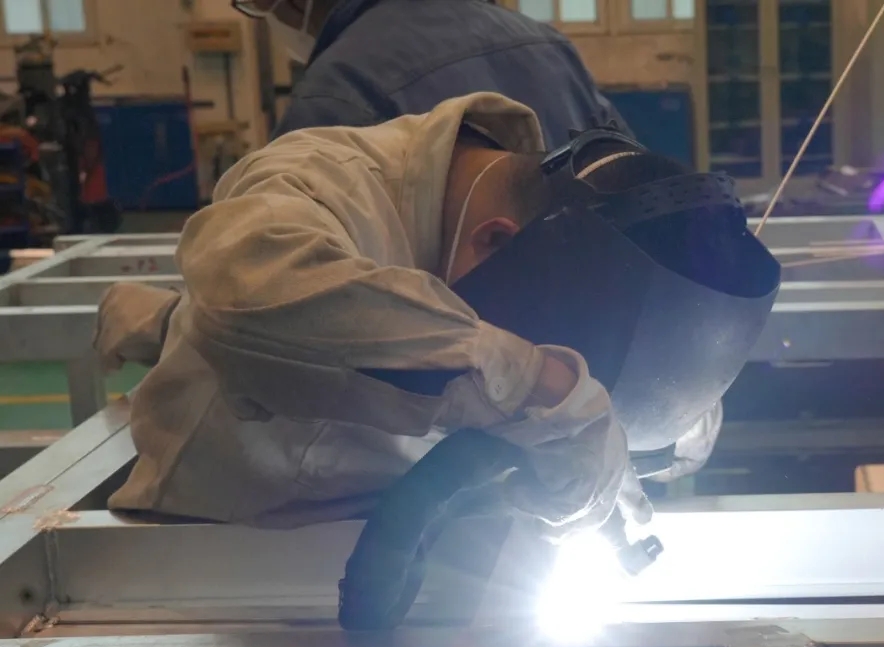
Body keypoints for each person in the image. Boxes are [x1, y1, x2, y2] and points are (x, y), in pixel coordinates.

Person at [94, 93, 778, 538]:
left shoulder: (560, 257)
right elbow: (249, 297)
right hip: (214, 558)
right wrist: (537, 388)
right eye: (544, 351)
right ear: (495, 243)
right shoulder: (318, 180)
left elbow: (649, 406)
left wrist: (631, 438)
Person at [231, 0, 629, 146]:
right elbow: (635, 183)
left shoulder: (335, 96)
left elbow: (294, 286)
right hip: (588, 303)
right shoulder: (546, 45)